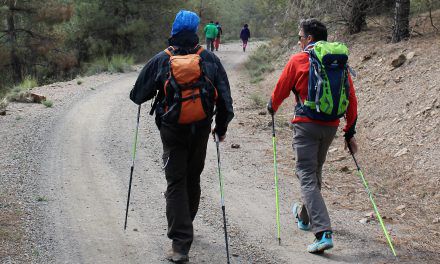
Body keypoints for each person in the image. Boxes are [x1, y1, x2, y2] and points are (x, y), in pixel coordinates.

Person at [130, 10, 234, 263]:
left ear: (174, 31)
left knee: (175, 181)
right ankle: (187, 223)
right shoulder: (209, 59)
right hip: (200, 128)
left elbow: (137, 96)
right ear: (196, 31)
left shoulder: (161, 60)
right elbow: (226, 102)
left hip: (172, 130)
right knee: (192, 176)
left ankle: (180, 245)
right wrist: (220, 128)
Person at [267, 18, 358, 254]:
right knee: (314, 172)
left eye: (300, 37)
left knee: (306, 174)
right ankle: (304, 216)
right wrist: (349, 133)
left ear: (308, 39)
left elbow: (281, 89)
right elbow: (351, 98)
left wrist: (271, 107)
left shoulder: (299, 59)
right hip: (331, 126)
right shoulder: (337, 63)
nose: (298, 41)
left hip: (306, 125)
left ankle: (323, 232)